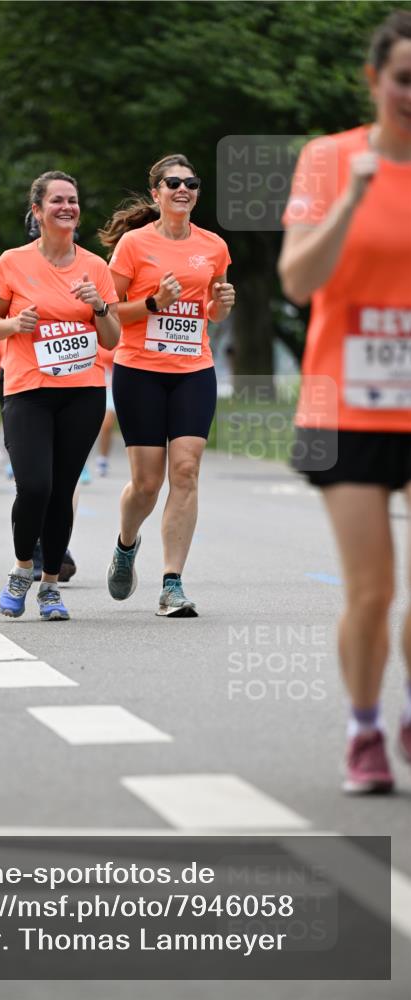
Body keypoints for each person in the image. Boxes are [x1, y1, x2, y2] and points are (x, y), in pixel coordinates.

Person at [278, 10, 411, 794]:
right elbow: (297, 280)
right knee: (373, 590)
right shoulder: (329, 160)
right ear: (374, 81)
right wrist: (352, 199)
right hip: (349, 408)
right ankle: (363, 728)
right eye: (403, 81)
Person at [99, 154, 235, 617]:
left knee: (186, 471)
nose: (183, 189)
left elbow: (211, 312)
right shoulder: (134, 246)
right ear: (155, 191)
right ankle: (125, 544)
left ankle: (172, 583)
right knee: (147, 483)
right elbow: (111, 312)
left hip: (194, 368)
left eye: (191, 183)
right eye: (173, 183)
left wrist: (221, 303)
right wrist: (155, 302)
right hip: (139, 368)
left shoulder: (214, 246)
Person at [0, 170, 120, 621]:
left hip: (82, 392)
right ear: (37, 210)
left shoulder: (95, 267)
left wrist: (98, 305)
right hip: (28, 390)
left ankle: (51, 587)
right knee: (35, 486)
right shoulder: (12, 262)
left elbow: (112, 338)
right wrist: (13, 325)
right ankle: (23, 569)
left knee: (63, 491)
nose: (67, 207)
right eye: (57, 200)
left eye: (73, 200)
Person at [95, 344, 117, 476]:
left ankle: (103, 458)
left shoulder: (122, 333)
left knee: (107, 424)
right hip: (97, 381)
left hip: (114, 383)